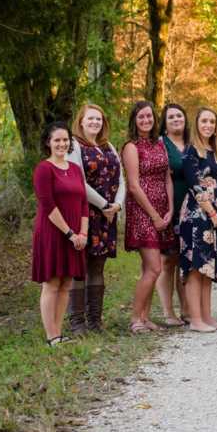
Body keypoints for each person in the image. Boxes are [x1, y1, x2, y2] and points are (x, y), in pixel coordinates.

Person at [66, 104, 125, 334]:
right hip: (86, 213)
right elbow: (78, 181)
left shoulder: (107, 145)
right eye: (90, 119)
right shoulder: (74, 146)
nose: (94, 123)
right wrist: (104, 205)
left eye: (98, 119)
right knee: (80, 266)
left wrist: (117, 205)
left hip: (108, 216)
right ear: (81, 121)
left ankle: (95, 321)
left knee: (98, 266)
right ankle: (77, 322)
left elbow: (122, 179)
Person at [32, 122, 89, 346]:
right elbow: (48, 205)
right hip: (53, 233)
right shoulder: (43, 169)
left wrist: (82, 233)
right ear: (48, 142)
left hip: (76, 235)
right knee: (52, 283)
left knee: (66, 283)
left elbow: (84, 202)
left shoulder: (75, 169)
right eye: (57, 140)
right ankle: (51, 336)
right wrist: (69, 234)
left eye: (65, 140)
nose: (62, 144)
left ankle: (59, 334)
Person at [122, 100, 175, 334]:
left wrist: (170, 209)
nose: (145, 120)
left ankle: (145, 317)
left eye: (149, 116)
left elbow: (167, 179)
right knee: (154, 268)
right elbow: (133, 185)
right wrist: (154, 215)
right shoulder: (131, 147)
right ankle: (135, 319)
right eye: (141, 117)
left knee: (150, 268)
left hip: (163, 210)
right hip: (143, 212)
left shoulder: (160, 144)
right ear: (134, 120)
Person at [179, 107, 217, 332]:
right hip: (197, 215)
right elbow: (194, 185)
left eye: (212, 121)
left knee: (209, 267)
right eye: (204, 121)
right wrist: (212, 213)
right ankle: (195, 319)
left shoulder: (216, 152)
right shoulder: (191, 151)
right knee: (196, 267)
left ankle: (207, 317)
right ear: (197, 124)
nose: (208, 125)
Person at [156, 103, 189, 327]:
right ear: (165, 122)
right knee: (167, 261)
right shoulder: (160, 144)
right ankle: (168, 312)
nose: (176, 119)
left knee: (186, 260)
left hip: (193, 208)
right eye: (171, 117)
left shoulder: (192, 142)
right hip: (168, 206)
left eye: (179, 115)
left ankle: (187, 309)